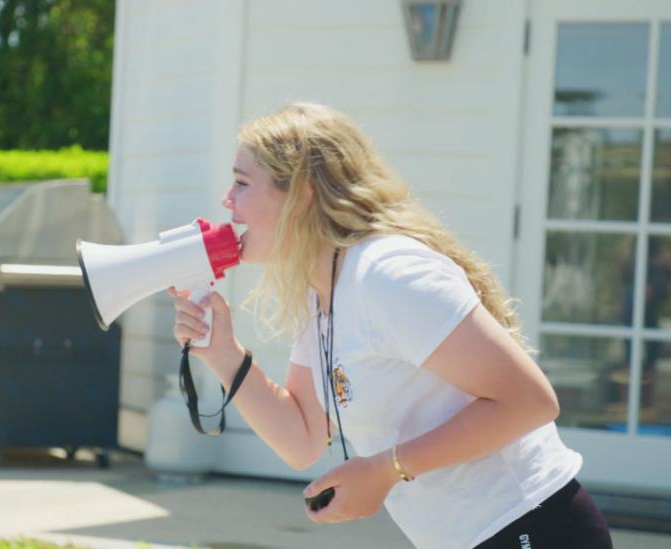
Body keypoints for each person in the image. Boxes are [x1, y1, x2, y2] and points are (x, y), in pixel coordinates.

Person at [169, 102, 612, 549]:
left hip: (531, 524)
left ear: (302, 195)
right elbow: (301, 437)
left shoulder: (388, 273)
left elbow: (531, 402)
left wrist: (386, 470)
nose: (227, 200)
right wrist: (224, 353)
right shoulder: (322, 287)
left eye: (242, 183)